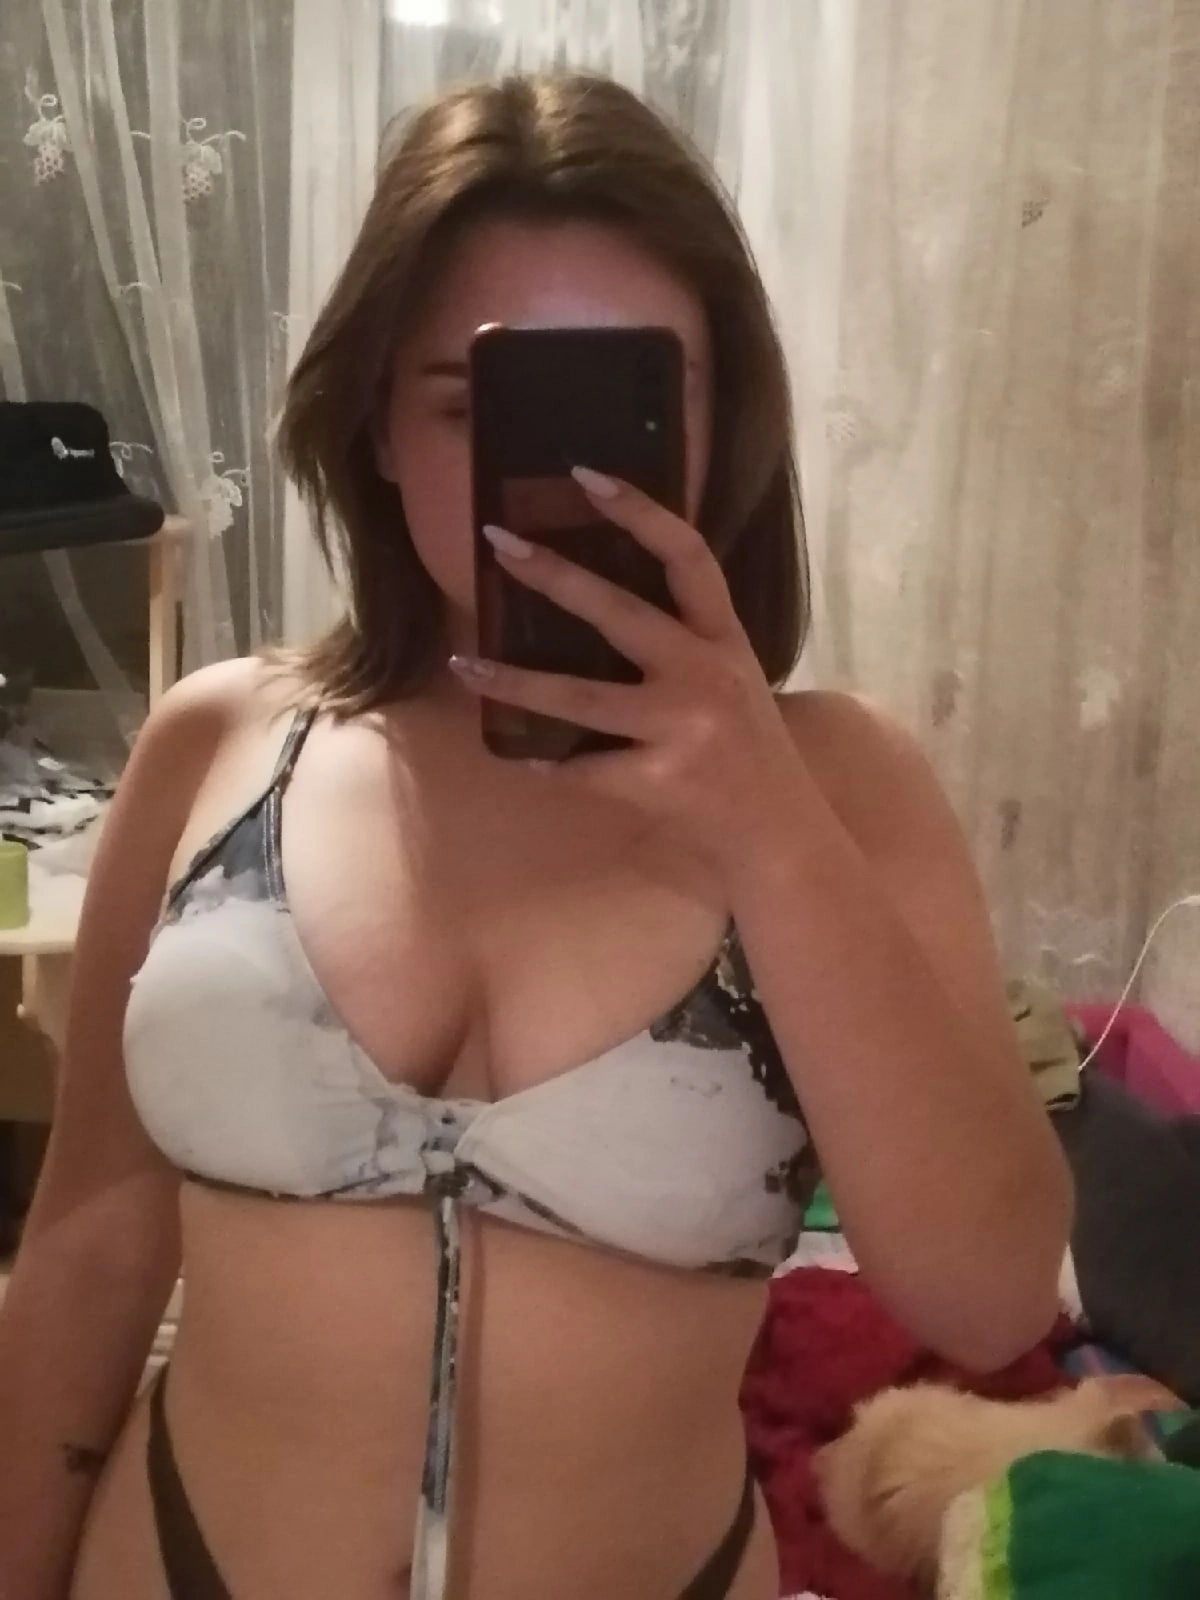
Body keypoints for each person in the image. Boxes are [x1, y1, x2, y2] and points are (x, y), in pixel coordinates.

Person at [0, 73, 1071, 1600]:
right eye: (474, 406)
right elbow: (88, 1253)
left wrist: (765, 826)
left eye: (629, 407)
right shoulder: (217, 741)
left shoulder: (839, 786)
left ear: (717, 426)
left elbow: (990, 1295)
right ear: (377, 421)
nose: (562, 486)